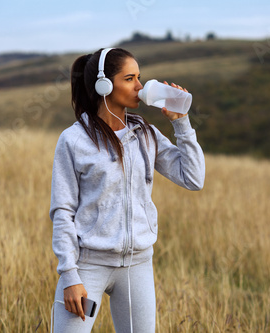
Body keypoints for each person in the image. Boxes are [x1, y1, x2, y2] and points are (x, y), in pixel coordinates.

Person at [49, 47, 205, 332]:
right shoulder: (73, 140)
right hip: (88, 265)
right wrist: (70, 275)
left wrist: (181, 122)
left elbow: (193, 178)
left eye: (139, 78)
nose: (140, 87)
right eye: (130, 78)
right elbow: (62, 211)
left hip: (137, 265)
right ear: (104, 85)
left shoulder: (146, 134)